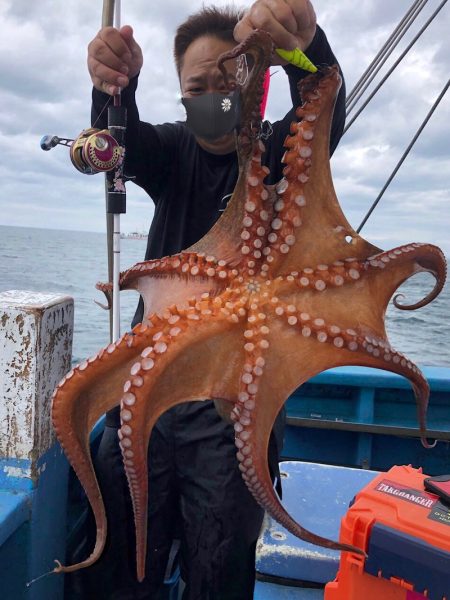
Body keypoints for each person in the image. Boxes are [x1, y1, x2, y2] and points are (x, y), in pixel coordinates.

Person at [76, 2, 346, 599]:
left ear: (257, 76)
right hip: (151, 387)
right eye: (197, 86)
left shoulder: (277, 157)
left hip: (235, 401)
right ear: (180, 94)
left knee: (218, 561)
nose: (215, 96)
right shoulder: (172, 152)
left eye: (229, 80)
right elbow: (117, 142)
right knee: (124, 558)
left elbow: (324, 113)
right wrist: (114, 83)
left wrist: (307, 49)